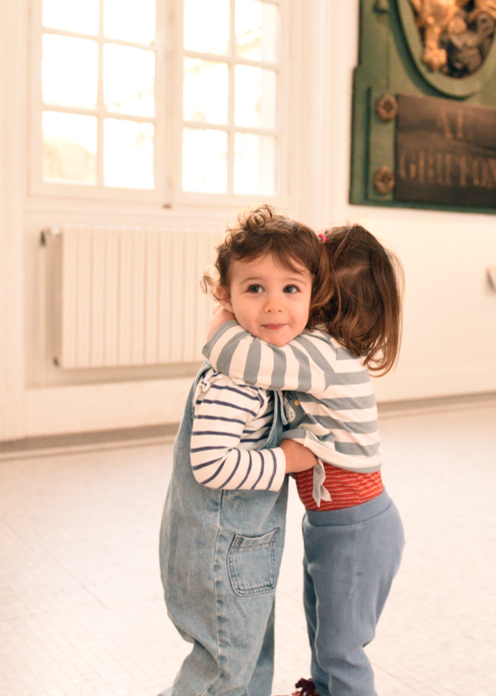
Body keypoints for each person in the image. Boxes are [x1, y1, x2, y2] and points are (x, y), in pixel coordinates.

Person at [203, 222, 405, 696]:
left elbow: (232, 354)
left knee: (342, 650)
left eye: (297, 283)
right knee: (325, 635)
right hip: (339, 525)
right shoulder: (324, 353)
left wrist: (226, 311)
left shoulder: (318, 355)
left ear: (321, 297)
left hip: (354, 530)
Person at [159, 205, 330, 696]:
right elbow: (211, 464)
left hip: (240, 549)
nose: (274, 306)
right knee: (224, 673)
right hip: (222, 554)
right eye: (255, 288)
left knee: (250, 661)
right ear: (226, 295)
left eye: (290, 289)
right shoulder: (238, 380)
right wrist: (291, 459)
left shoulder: (262, 363)